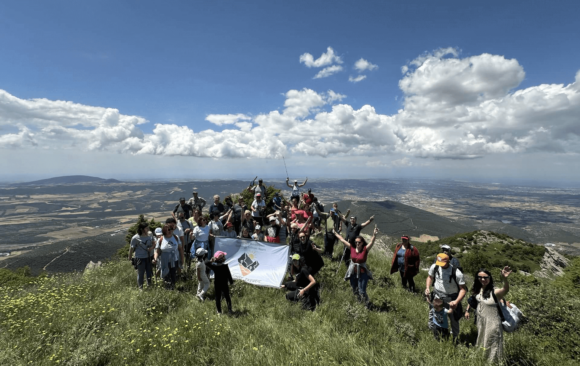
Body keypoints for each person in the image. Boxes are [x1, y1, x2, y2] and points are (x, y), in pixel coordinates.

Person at [471, 266, 512, 363]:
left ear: (490, 277)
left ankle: (493, 363)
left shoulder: (495, 291)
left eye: (485, 277)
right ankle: (482, 359)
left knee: (492, 344)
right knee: (482, 341)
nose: (483, 279)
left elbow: (505, 290)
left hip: (492, 323)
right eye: (480, 277)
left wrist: (505, 279)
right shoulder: (479, 289)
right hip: (481, 321)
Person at [425, 253, 468, 342]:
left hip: (451, 298)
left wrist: (456, 302)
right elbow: (430, 277)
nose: (440, 266)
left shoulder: (456, 272)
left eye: (442, 264)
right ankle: (435, 331)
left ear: (448, 261)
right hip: (437, 296)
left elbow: (463, 289)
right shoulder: (435, 266)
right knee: (434, 314)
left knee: (454, 319)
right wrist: (427, 288)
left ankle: (455, 338)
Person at [334, 227, 379, 304]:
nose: (357, 244)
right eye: (356, 242)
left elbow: (371, 242)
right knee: (354, 288)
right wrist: (335, 233)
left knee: (362, 291)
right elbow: (342, 240)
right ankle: (358, 301)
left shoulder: (365, 249)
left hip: (363, 273)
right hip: (353, 272)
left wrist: (374, 234)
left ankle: (367, 303)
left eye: (359, 242)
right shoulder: (352, 248)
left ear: (362, 243)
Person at [205, 251, 234, 315]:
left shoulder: (215, 267)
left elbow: (206, 263)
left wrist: (211, 261)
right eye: (223, 256)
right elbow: (229, 275)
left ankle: (219, 311)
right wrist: (231, 282)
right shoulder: (225, 266)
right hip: (224, 284)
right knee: (227, 297)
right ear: (222, 259)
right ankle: (229, 310)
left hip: (217, 284)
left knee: (218, 297)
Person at [153, 224, 181, 289]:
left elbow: (180, 249)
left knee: (173, 274)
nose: (169, 231)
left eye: (170, 230)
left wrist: (181, 259)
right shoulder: (161, 239)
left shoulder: (176, 237)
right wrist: (155, 259)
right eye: (167, 230)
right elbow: (157, 251)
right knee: (166, 274)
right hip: (164, 260)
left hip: (174, 259)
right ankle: (167, 287)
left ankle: (172, 287)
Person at [128, 222, 154, 289]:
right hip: (140, 258)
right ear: (142, 229)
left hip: (149, 257)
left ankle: (149, 286)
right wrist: (130, 257)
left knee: (149, 272)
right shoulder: (135, 238)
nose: (148, 229)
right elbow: (131, 248)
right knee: (141, 273)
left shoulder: (150, 236)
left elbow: (154, 243)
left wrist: (151, 248)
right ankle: (140, 288)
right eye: (146, 228)